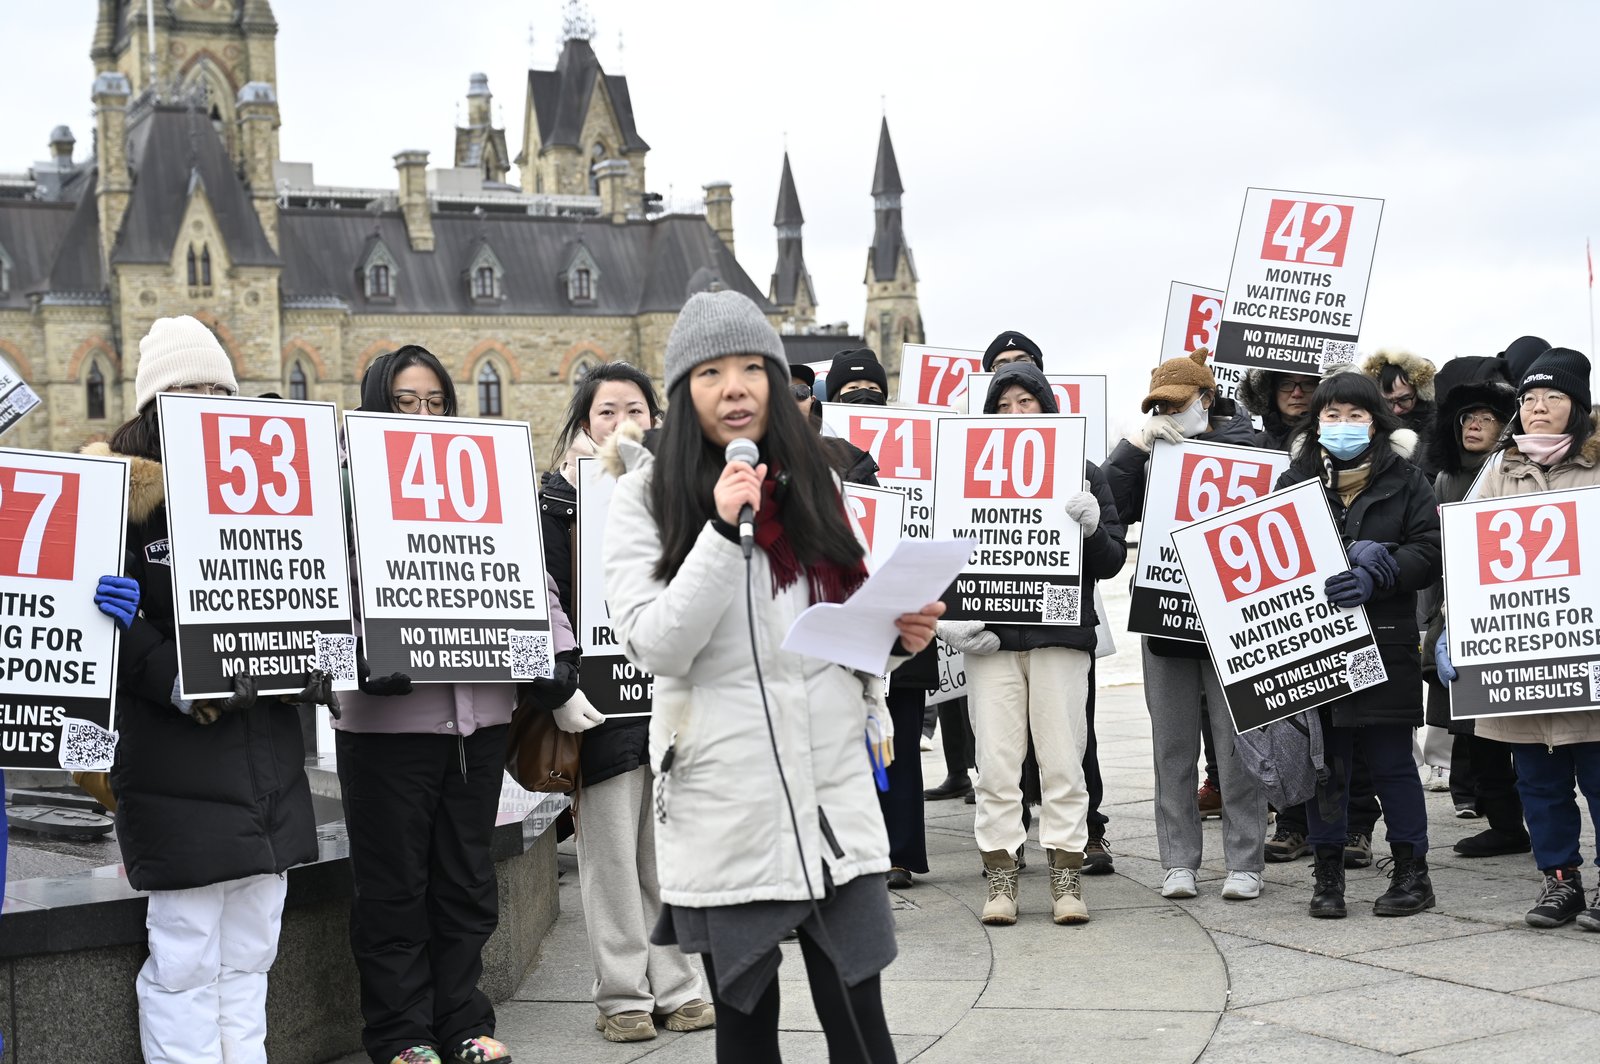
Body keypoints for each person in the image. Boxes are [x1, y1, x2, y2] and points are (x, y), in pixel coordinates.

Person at [602, 289, 944, 1063]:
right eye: (712, 371)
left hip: (831, 797)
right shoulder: (644, 500)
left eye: (753, 368)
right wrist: (723, 534)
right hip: (726, 806)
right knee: (748, 1031)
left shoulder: (820, 481)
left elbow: (846, 627)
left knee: (862, 1023)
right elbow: (656, 645)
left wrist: (898, 638)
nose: (735, 387)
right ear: (683, 392)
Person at [336, 345, 579, 1064]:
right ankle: (401, 1035)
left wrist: (558, 649)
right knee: (393, 885)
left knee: (466, 882)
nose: (424, 415)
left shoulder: (487, 485)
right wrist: (355, 658)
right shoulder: (343, 488)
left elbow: (525, 574)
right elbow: (315, 589)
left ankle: (464, 1024)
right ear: (378, 407)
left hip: (480, 719)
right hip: (388, 721)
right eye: (407, 402)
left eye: (436, 402)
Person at [89, 315, 317, 1064]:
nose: (205, 400)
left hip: (267, 768)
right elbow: (100, 638)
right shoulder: (116, 498)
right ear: (153, 402)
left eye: (217, 388)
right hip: (173, 766)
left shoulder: (274, 492)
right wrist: (163, 666)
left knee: (252, 951)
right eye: (186, 389)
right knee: (184, 958)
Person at [538, 363, 718, 1042]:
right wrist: (560, 684)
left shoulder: (681, 495)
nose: (621, 423)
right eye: (606, 411)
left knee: (669, 852)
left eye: (635, 409)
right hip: (600, 699)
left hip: (669, 694)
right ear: (586, 423)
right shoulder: (557, 499)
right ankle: (622, 995)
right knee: (611, 855)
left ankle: (678, 986)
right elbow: (544, 591)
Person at [937, 360, 1127, 925]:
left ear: (1047, 408)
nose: (1016, 414)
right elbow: (946, 544)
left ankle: (1066, 876)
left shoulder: (1083, 471)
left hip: (1059, 638)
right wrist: (949, 616)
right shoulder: (964, 468)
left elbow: (1113, 562)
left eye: (1027, 403)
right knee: (995, 764)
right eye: (1003, 406)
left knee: (1063, 760)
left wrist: (1093, 528)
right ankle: (1001, 876)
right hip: (991, 640)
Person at [1440, 348, 1600, 929]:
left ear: (1577, 408)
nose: (1539, 408)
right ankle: (1559, 881)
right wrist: (1457, 629)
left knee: (1599, 776)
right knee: (1537, 780)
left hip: (1585, 655)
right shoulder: (1499, 470)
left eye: (1554, 398)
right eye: (1530, 399)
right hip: (1519, 659)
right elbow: (1469, 559)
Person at [1105, 348, 1269, 902]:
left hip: (1235, 619)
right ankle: (1179, 861)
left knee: (1237, 745)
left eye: (1179, 405)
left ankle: (1246, 861)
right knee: (1171, 745)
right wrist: (1135, 446)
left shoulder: (1254, 446)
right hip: (1165, 614)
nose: (1169, 414)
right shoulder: (1151, 449)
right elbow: (1111, 508)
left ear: (1208, 398)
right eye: (1159, 407)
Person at [1275, 372, 1441, 919]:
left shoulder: (1408, 480)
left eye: (1355, 415)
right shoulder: (1293, 481)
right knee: (1329, 766)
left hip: (1385, 640)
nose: (1342, 426)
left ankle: (1412, 872)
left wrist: (1381, 571)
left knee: (1392, 762)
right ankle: (1327, 875)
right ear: (1315, 421)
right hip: (1315, 645)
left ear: (1376, 421)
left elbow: (1430, 552)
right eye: (1331, 415)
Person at [818, 348, 938, 889]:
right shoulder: (814, 466)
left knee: (902, 747)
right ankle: (852, 851)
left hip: (899, 625)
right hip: (846, 629)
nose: (860, 399)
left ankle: (901, 853)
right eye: (848, 393)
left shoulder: (909, 459)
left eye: (869, 392)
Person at [1420, 356, 1530, 850]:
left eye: (1486, 416)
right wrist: (1434, 628)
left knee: (1522, 729)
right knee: (1472, 731)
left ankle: (1527, 821)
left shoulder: (1519, 474)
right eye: (1467, 417)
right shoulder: (1443, 481)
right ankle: (1506, 825)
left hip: (1513, 615)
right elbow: (1436, 561)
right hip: (1458, 616)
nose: (1474, 423)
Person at [1361, 351, 1438, 473]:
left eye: (1404, 400)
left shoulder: (1434, 430)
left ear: (1418, 393)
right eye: (1387, 401)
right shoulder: (1367, 422)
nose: (1396, 409)